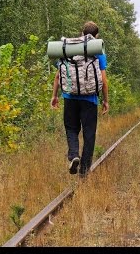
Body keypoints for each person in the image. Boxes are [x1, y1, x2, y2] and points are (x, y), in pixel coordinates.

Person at [50, 21, 109, 178]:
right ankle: (84, 171)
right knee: (89, 134)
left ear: (82, 32)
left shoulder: (67, 48)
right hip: (89, 99)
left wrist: (55, 96)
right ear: (96, 36)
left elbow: (57, 76)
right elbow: (103, 80)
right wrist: (105, 100)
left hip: (69, 96)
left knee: (71, 128)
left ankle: (74, 155)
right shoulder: (97, 51)